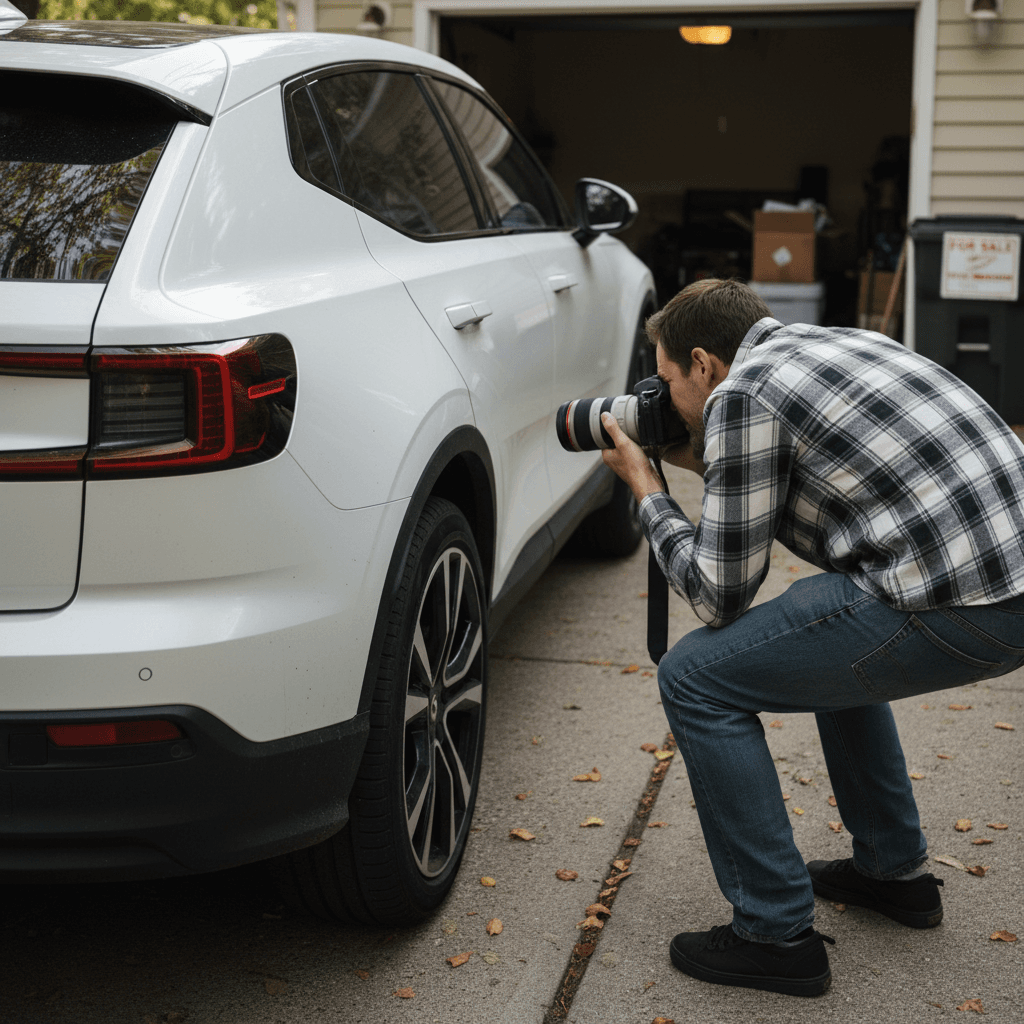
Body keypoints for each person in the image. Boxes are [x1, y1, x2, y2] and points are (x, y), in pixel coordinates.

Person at [599, 278, 1024, 997]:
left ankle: (773, 935)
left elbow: (716, 593)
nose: (663, 397)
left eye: (668, 380)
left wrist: (647, 489)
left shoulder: (741, 396)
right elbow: (807, 486)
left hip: (962, 603)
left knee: (694, 677)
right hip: (1002, 587)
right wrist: (703, 457)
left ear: (703, 363)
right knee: (823, 637)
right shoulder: (831, 344)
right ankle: (895, 875)